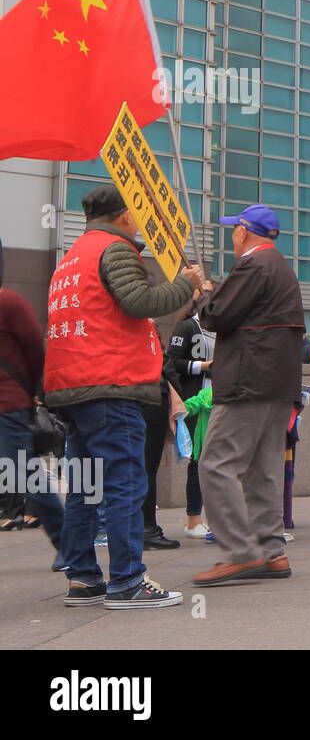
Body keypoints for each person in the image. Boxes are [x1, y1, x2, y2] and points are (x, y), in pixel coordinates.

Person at [45, 185, 201, 607]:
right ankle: (128, 581)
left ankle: (83, 578)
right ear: (125, 215)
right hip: (111, 385)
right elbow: (137, 301)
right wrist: (185, 285)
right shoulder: (113, 249)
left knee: (85, 487)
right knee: (125, 484)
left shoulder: (70, 259)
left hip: (73, 387)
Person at [193, 204, 305, 586]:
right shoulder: (280, 267)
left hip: (248, 380)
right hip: (277, 383)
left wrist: (203, 295)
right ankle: (271, 551)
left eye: (233, 230)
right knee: (263, 470)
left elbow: (216, 317)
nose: (231, 237)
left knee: (215, 463)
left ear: (243, 231)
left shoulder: (253, 265)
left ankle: (241, 551)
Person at [0, 237, 63, 564]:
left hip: (8, 408)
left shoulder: (10, 302)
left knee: (25, 476)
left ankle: (66, 544)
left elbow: (36, 353)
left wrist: (32, 395)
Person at [167, 298, 214, 539]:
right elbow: (172, 361)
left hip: (219, 401)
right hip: (196, 402)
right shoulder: (187, 327)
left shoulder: (222, 329)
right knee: (198, 460)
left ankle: (212, 519)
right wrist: (203, 366)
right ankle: (193, 518)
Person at [141, 323, 185, 550]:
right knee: (148, 468)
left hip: (120, 401)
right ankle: (148, 528)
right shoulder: (150, 336)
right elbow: (169, 372)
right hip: (152, 401)